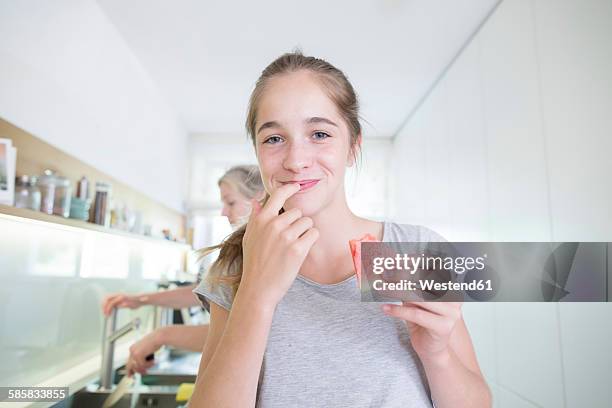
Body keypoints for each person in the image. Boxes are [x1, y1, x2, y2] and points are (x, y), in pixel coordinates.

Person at [190, 51, 492, 408]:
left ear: (352, 147)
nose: (296, 160)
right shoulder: (236, 265)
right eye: (273, 138)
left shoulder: (417, 250)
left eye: (319, 134)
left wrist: (437, 354)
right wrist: (257, 295)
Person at [100, 165, 264, 376]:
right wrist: (141, 300)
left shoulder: (258, 253)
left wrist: (161, 335)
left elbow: (231, 335)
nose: (223, 212)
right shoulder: (244, 250)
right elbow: (208, 292)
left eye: (230, 202)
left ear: (259, 198)